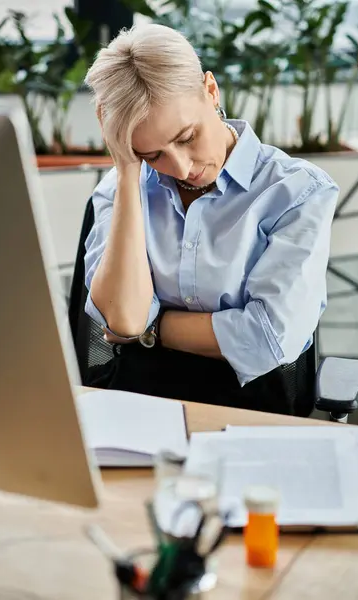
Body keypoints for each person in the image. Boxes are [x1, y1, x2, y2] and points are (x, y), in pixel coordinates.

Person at [83, 23, 339, 415]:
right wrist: (128, 173)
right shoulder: (118, 191)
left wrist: (153, 329)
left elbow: (267, 337)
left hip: (252, 405)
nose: (181, 167)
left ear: (211, 90)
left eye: (186, 137)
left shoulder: (297, 192)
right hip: (135, 402)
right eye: (152, 155)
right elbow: (124, 318)